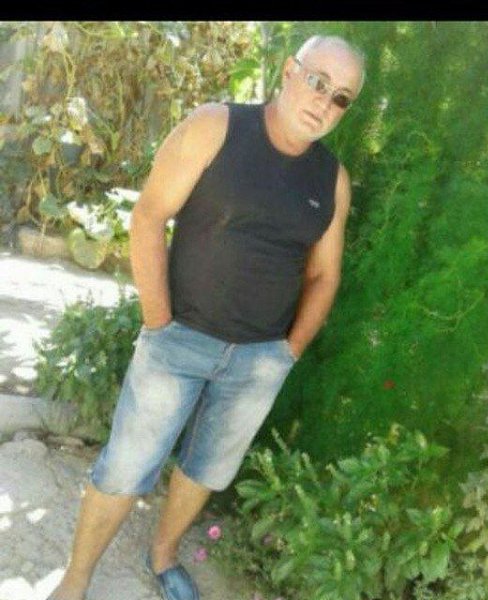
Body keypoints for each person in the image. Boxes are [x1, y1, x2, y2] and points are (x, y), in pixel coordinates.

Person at [48, 34, 365, 600]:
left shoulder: (331, 180)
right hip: (178, 340)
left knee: (207, 470)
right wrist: (158, 323)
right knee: (125, 468)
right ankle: (75, 582)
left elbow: (325, 275)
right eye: (318, 81)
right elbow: (149, 217)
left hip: (258, 360)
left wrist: (287, 351)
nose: (324, 101)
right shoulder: (216, 126)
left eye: (340, 97)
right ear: (289, 72)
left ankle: (162, 555)